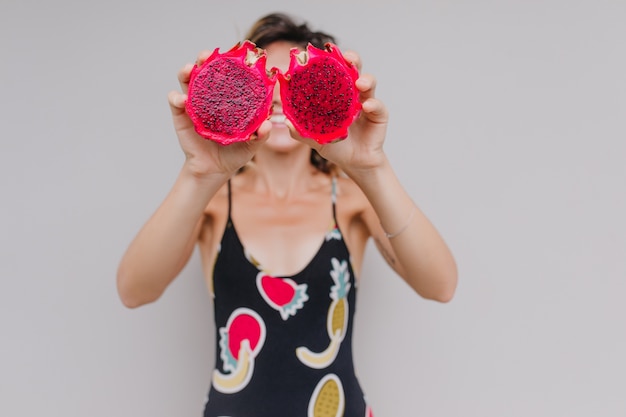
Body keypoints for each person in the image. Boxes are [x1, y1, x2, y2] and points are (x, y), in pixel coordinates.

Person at [117, 12, 457, 417]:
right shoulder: (210, 201)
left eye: (294, 79)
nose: (278, 93)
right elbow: (134, 291)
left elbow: (441, 286)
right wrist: (198, 174)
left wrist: (372, 168)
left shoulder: (351, 199)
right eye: (265, 79)